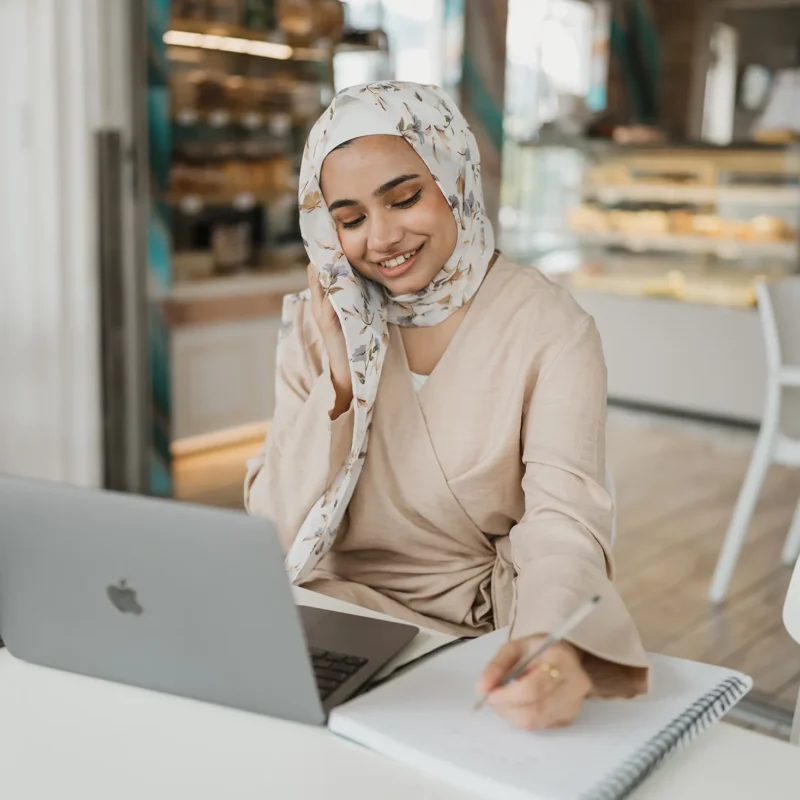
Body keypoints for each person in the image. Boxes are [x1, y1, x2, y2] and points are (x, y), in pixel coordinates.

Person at [245, 81, 649, 731]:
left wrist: (551, 648)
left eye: (404, 198)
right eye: (349, 220)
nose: (380, 238)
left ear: (455, 177)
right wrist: (340, 385)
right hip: (326, 620)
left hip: (468, 639)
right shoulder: (321, 322)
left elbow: (563, 521)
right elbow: (269, 533)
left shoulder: (549, 327)